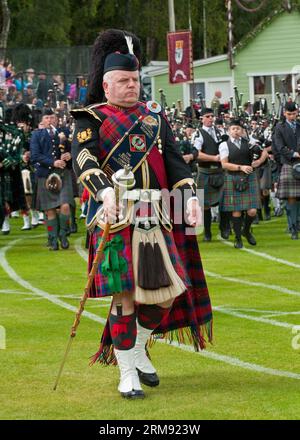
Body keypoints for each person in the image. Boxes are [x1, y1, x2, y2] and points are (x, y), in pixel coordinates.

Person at [71, 29, 213, 400]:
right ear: (106, 83)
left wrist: (191, 198)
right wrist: (103, 191)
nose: (132, 86)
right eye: (124, 80)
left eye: (135, 80)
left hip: (156, 215)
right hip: (115, 217)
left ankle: (137, 348)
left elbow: (177, 165)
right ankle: (127, 374)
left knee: (165, 295)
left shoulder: (154, 118)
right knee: (125, 297)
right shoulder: (89, 117)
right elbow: (83, 161)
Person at [30, 108, 74, 250]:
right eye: (47, 118)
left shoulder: (65, 133)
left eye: (52, 117)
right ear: (42, 120)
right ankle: (53, 238)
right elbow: (35, 156)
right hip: (45, 175)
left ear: (56, 119)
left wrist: (69, 154)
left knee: (65, 206)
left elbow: (75, 148)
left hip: (63, 174)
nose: (50, 120)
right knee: (50, 211)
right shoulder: (37, 135)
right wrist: (52, 162)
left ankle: (63, 235)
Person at [219, 119, 262, 249]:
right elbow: (224, 164)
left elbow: (263, 151)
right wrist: (240, 167)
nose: (236, 131)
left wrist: (258, 161)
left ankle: (246, 231)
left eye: (238, 128)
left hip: (249, 178)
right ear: (229, 131)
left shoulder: (249, 142)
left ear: (242, 131)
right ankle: (238, 238)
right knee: (236, 211)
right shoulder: (224, 145)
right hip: (233, 177)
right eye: (233, 129)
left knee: (252, 211)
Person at [194, 108, 230, 241]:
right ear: (201, 119)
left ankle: (224, 229)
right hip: (205, 172)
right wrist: (214, 158)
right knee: (204, 204)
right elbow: (197, 153)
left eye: (212, 116)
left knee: (225, 202)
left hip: (220, 172)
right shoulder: (198, 134)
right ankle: (207, 233)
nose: (210, 118)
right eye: (207, 116)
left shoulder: (220, 132)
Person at [274, 101, 300, 239]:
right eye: (289, 114)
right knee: (291, 198)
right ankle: (292, 227)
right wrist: (294, 154)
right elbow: (279, 146)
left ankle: (298, 224)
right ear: (284, 113)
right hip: (289, 164)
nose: (292, 116)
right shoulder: (279, 127)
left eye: (294, 114)